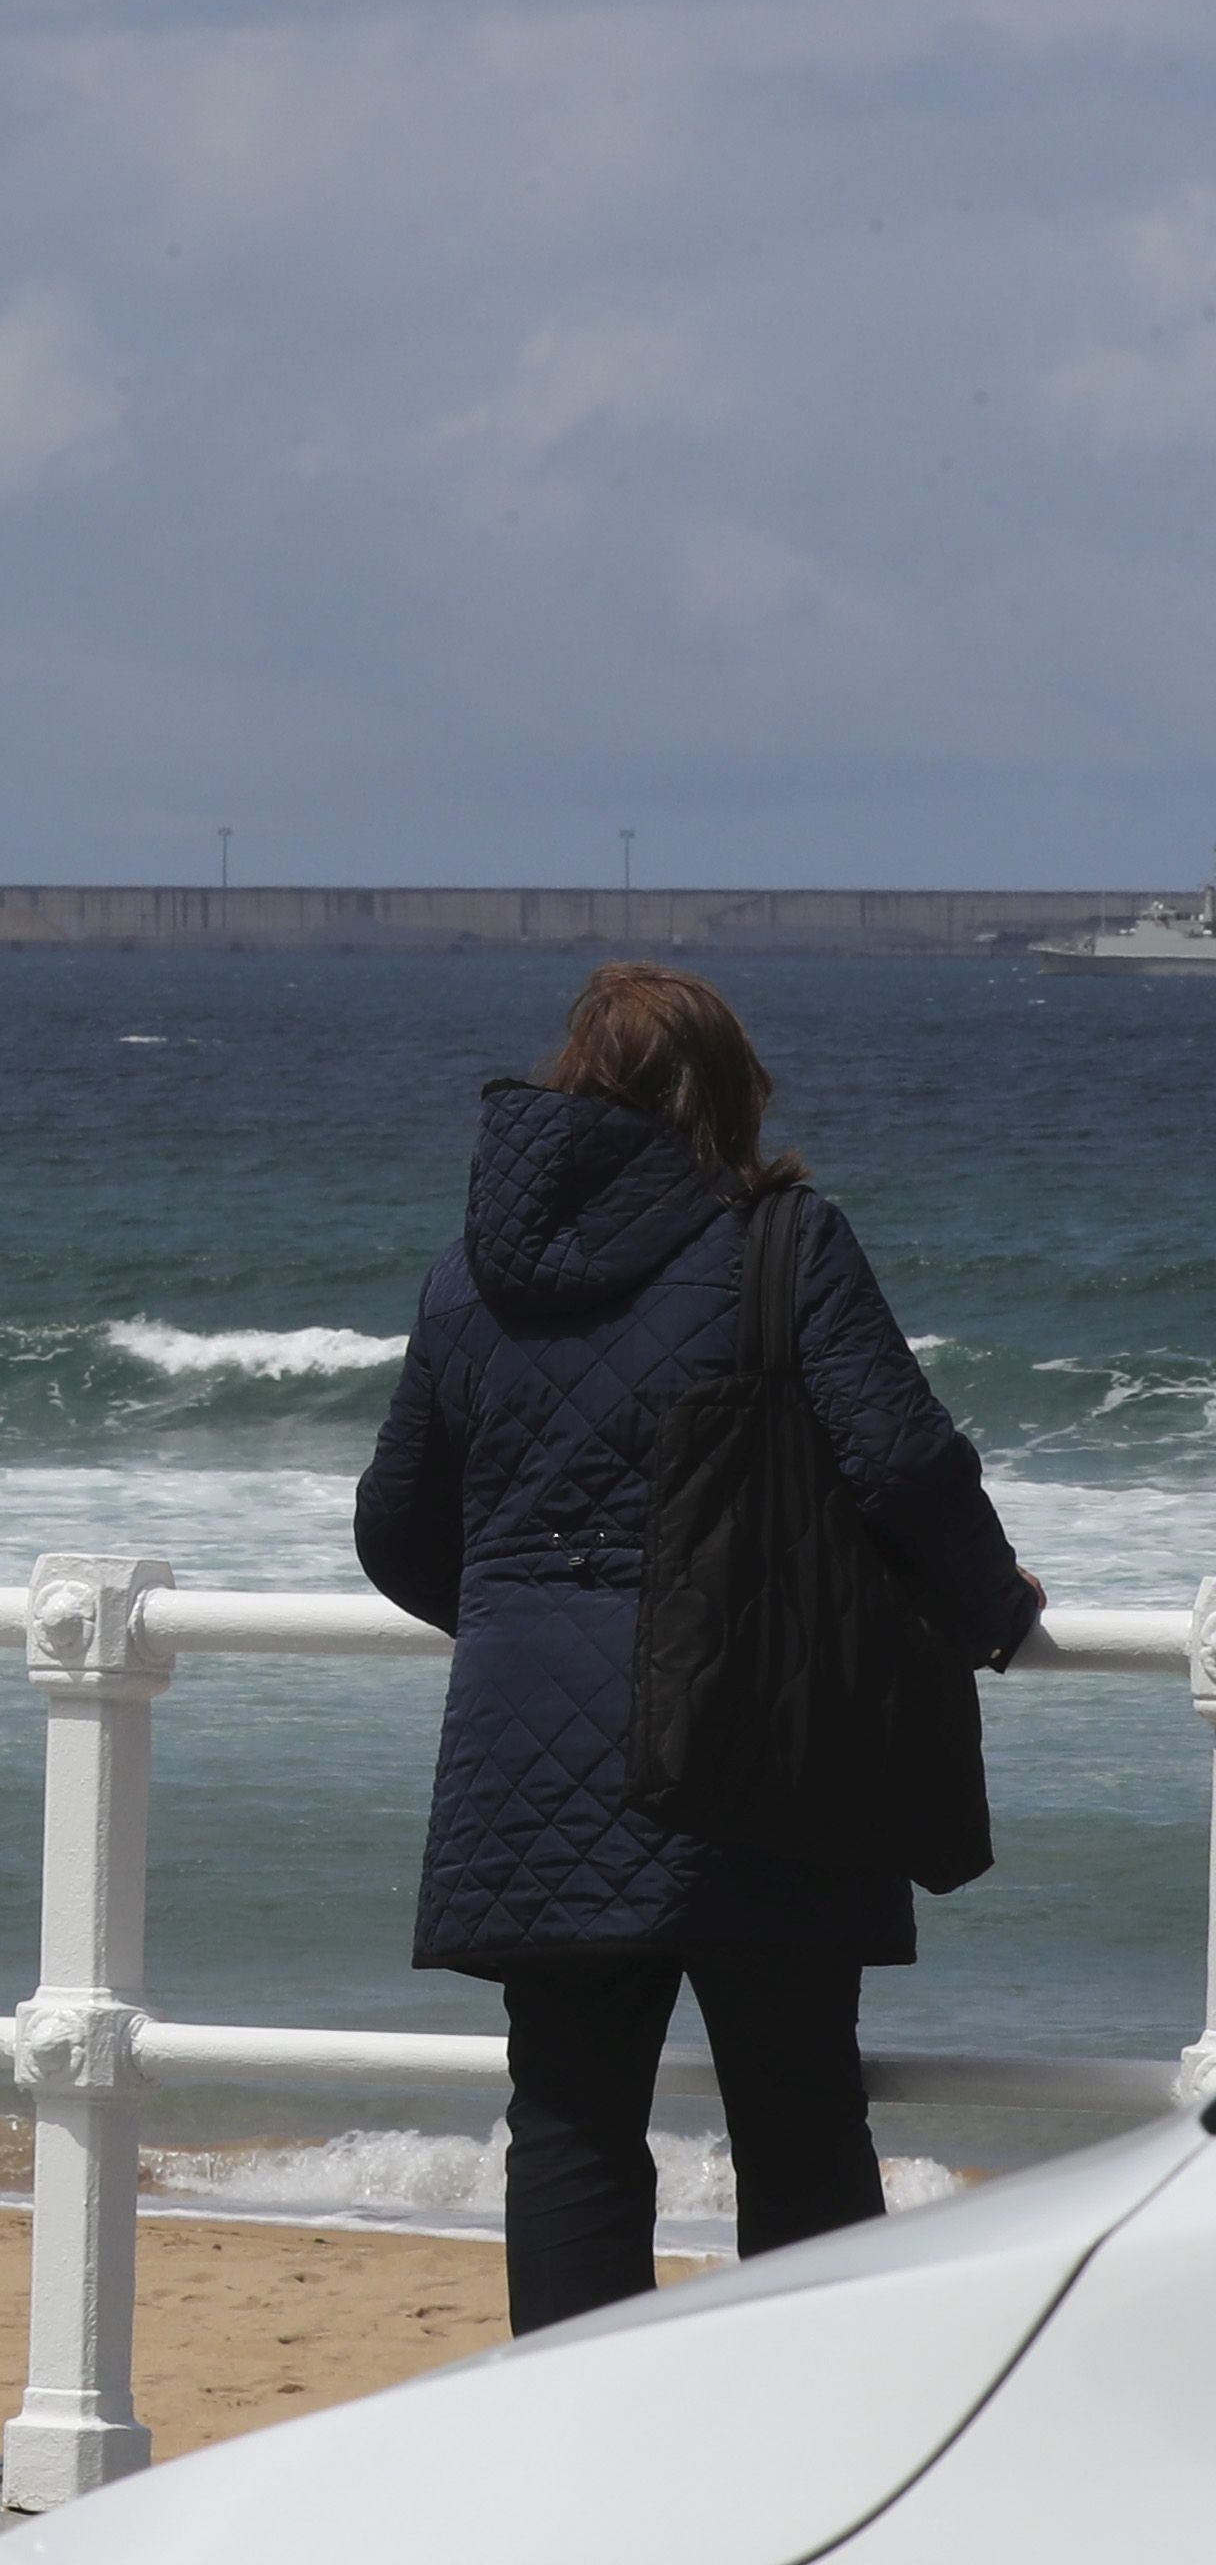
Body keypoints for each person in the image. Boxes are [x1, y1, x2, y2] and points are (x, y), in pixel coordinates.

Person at [355, 962, 1045, 2338]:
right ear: (729, 1096)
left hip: (530, 1765)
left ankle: (577, 2459)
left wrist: (526, 1628)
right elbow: (901, 1464)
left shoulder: (465, 1277)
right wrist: (994, 1615)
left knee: (567, 2122)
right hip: (759, 1747)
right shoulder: (778, 1242)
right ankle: (803, 2447)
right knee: (796, 2116)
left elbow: (392, 1529)